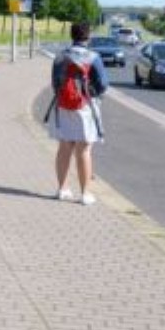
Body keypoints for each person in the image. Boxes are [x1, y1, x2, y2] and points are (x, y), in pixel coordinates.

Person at [49, 21, 108, 205]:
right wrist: (90, 92)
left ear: (72, 35)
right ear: (88, 37)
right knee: (83, 149)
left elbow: (55, 82)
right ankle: (85, 193)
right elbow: (103, 84)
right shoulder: (93, 57)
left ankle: (62, 189)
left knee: (64, 147)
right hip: (85, 107)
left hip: (63, 106)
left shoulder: (61, 56)